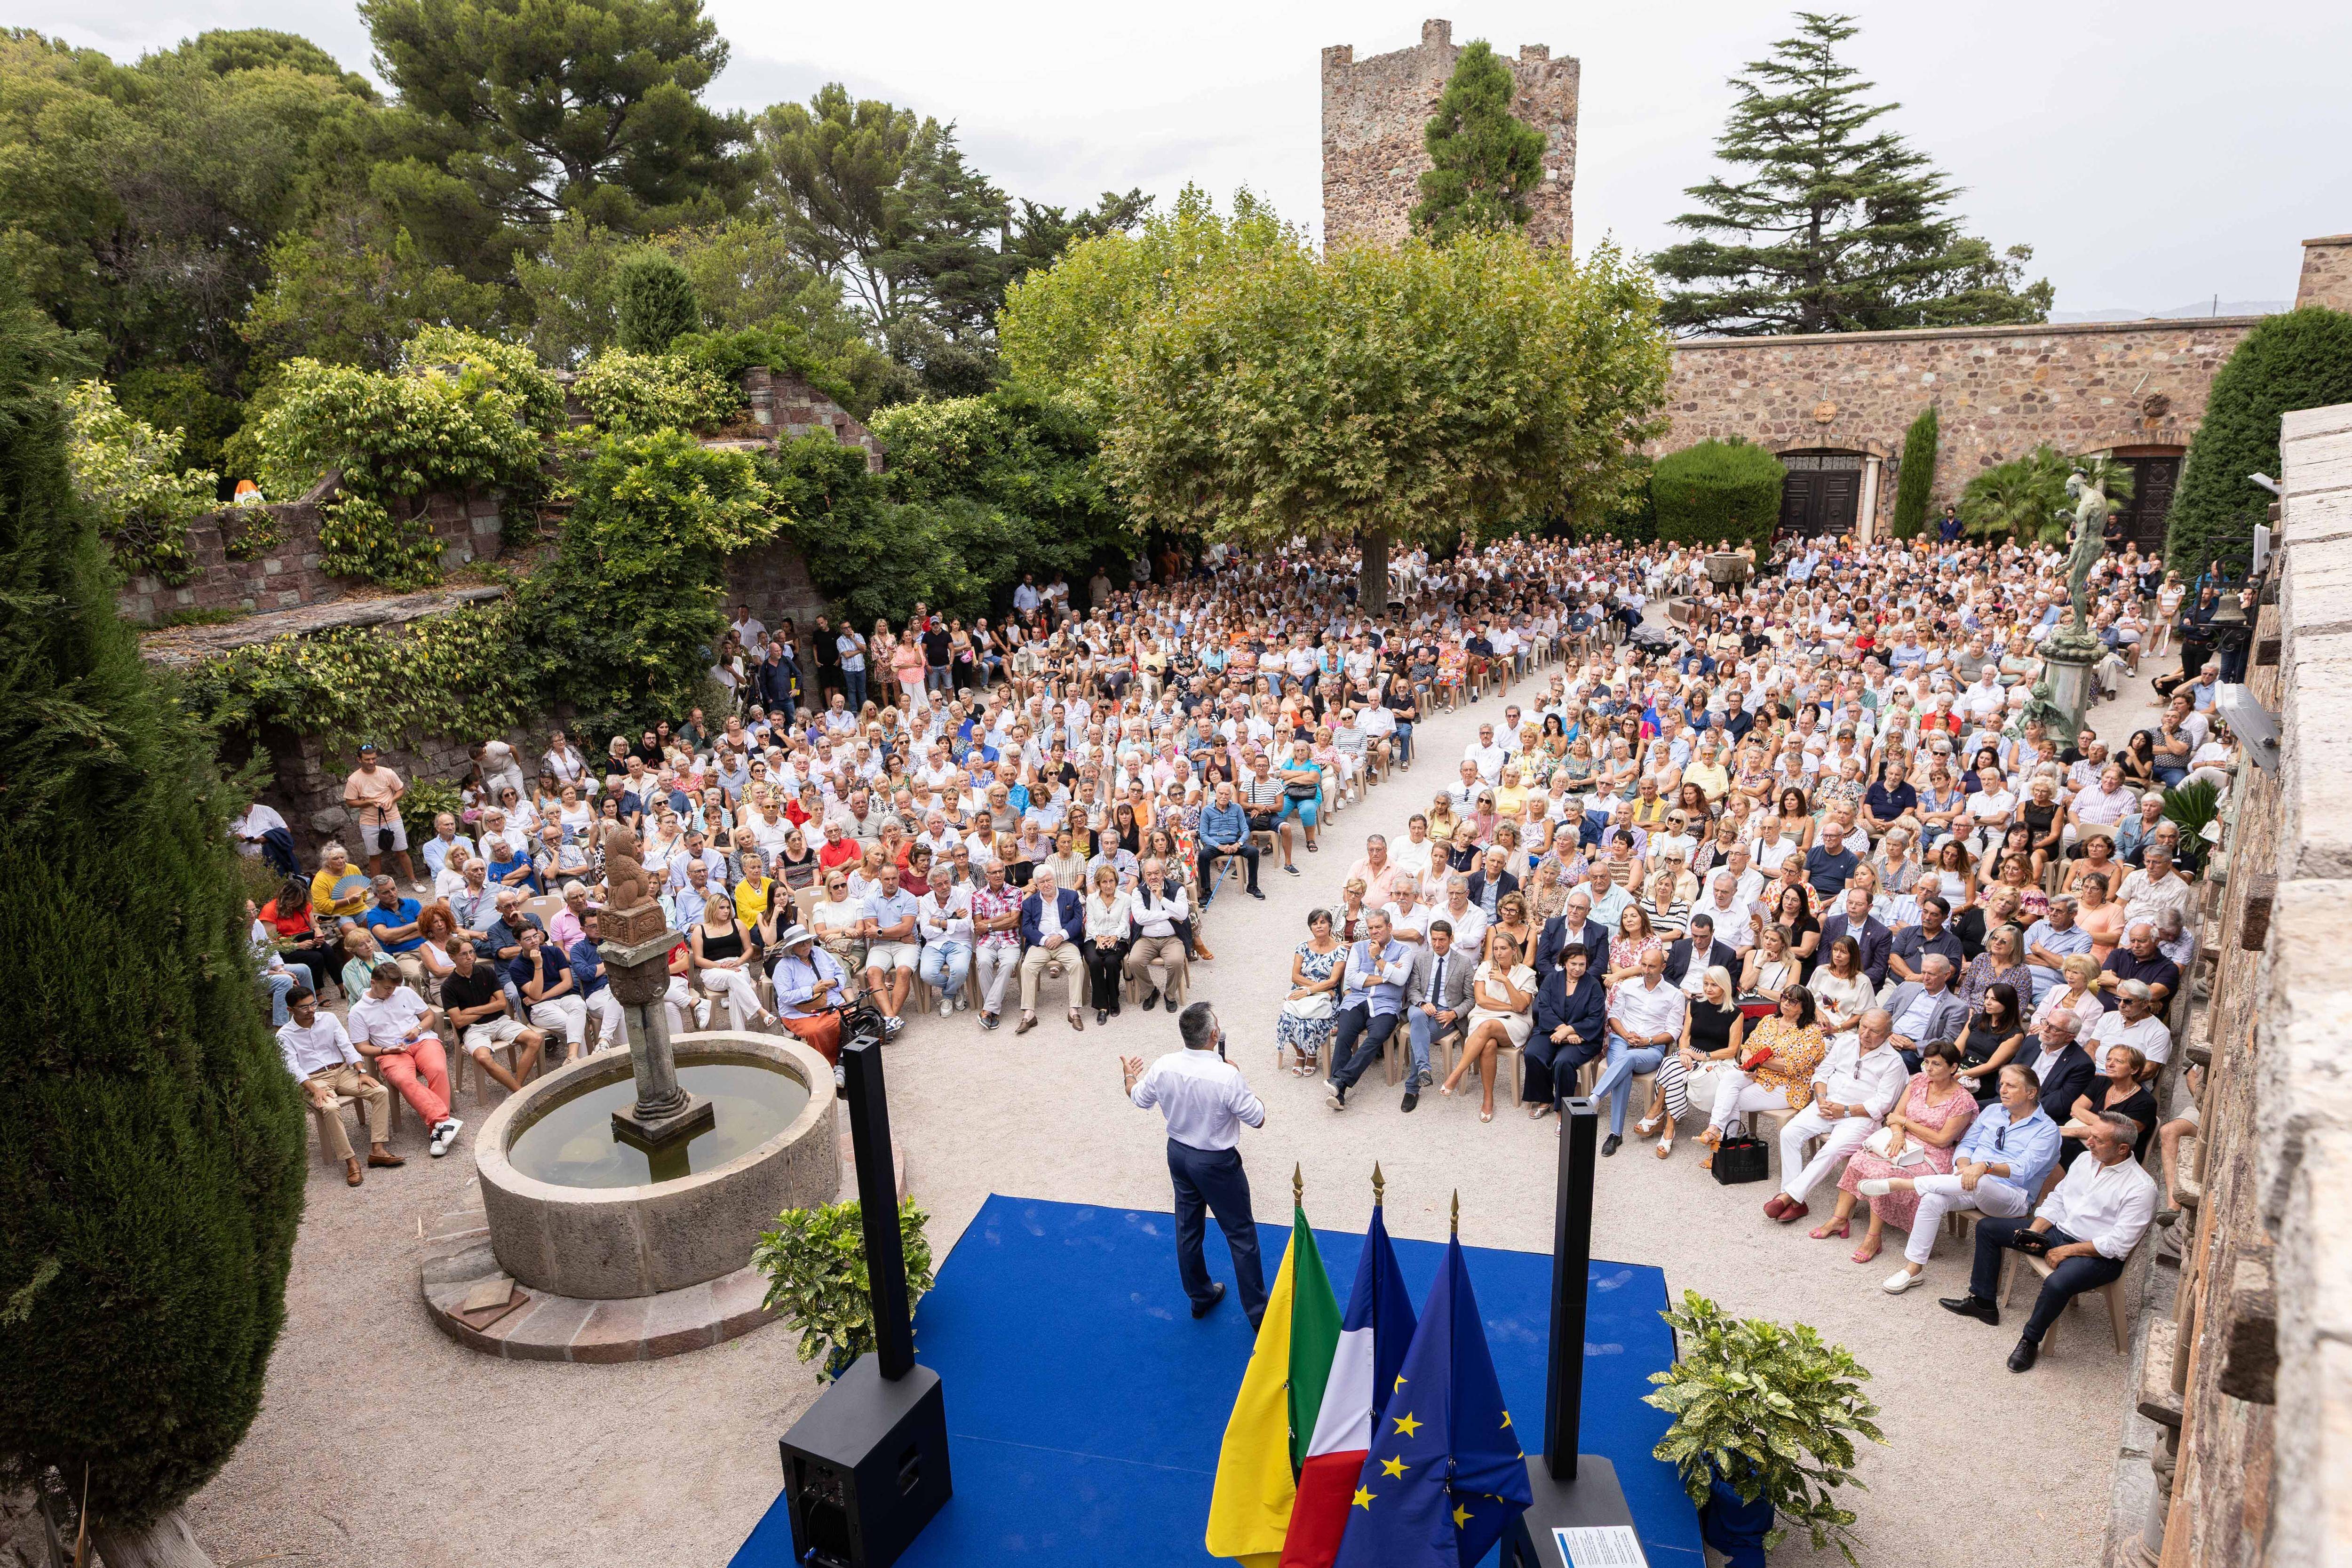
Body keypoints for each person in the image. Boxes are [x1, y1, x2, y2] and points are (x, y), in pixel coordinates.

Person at [1939, 1111, 2158, 1371]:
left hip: (2098, 1255)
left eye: (2098, 1140)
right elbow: (2057, 1199)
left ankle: (2030, 1340)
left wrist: (2067, 1251)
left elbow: (2118, 1244)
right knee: (1988, 1228)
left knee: (2057, 1283)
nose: (2089, 1142)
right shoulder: (2085, 1159)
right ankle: (1983, 1302)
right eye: (2091, 1135)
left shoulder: (2141, 1188)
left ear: (2122, 1149)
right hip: (2058, 1233)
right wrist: (2034, 1232)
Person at [1124, 1003, 1267, 1329]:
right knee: (1241, 1236)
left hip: (1178, 1155)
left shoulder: (1164, 1065)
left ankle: (1200, 1297)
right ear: (1214, 1035)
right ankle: (1259, 1315)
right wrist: (1239, 1077)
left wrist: (1129, 1074)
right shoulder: (1227, 1076)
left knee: (1188, 1230)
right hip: (1217, 1164)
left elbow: (1138, 1097)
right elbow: (1258, 1118)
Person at [1865, 1062, 2061, 1294]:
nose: (2003, 1090)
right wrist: (1965, 1166)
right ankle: (1913, 1269)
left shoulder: (2047, 1130)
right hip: (1967, 1183)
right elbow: (1967, 1144)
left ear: (2031, 1093)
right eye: (2002, 1084)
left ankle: (1904, 1184)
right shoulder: (1992, 1112)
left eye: (2011, 1086)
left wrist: (1985, 1167)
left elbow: (2023, 1170)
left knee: (1981, 1180)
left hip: (2010, 1197)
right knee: (1932, 1199)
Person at [1819, 1038, 1978, 1262]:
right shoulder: (1919, 1081)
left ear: (1953, 1068)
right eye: (1927, 1062)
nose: (1929, 1069)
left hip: (1934, 1154)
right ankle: (1840, 1219)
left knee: (1885, 1173)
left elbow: (1942, 1140)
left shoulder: (1963, 1101)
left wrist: (1905, 1124)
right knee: (1859, 1159)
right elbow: (1895, 1116)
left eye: (1936, 1064)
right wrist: (1898, 1133)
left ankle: (1874, 1237)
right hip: (1902, 1140)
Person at [1764, 1008, 1910, 1224]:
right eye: (1863, 1027)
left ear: (1888, 1035)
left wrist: (1846, 1110)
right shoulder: (1845, 1043)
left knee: (1831, 1150)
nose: (1865, 1035)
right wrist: (1821, 1098)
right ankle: (1795, 1200)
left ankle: (1788, 1197)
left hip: (1861, 1118)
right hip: (1827, 1104)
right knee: (1789, 1133)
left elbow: (1883, 1104)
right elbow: (1822, 1074)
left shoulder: (1894, 1062)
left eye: (1874, 1031)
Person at [277, 987, 398, 1187]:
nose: (311, 1010)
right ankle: (351, 1161)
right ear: (291, 1010)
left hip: (341, 1072)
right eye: (304, 1007)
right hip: (314, 1080)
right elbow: (292, 1068)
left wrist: (361, 1072)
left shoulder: (329, 1019)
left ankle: (378, 1150)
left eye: (313, 1004)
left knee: (380, 1091)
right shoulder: (284, 1035)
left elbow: (346, 1046)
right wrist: (314, 1090)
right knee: (331, 1108)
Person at [1698, 986, 1827, 1168]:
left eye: (1793, 1001)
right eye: (1784, 998)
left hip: (1788, 1087)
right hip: (1759, 1075)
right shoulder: (1769, 1021)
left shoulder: (1811, 1033)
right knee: (1729, 1078)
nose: (1786, 1003)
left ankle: (1723, 1150)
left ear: (1804, 1007)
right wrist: (1748, 1059)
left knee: (1731, 1099)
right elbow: (1748, 1046)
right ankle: (1715, 1130)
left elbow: (1792, 1066)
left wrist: (1759, 1062)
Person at [346, 960, 463, 1158]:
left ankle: (437, 1130)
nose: (391, 992)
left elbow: (429, 1017)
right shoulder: (358, 1011)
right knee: (403, 1079)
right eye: (387, 988)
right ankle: (443, 1121)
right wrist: (385, 1050)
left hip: (423, 1041)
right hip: (391, 1052)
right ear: (373, 983)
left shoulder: (405, 992)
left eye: (394, 988)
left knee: (437, 1069)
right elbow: (361, 1047)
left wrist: (418, 1029)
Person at [1636, 965, 1743, 1157]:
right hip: (1690, 1053)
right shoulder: (1694, 1005)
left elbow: (1732, 1050)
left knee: (1672, 1069)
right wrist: (1685, 1053)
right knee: (1671, 1063)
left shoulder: (1736, 1013)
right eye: (1706, 984)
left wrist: (1704, 1057)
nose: (1708, 989)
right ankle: (1669, 1127)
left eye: (1714, 985)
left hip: (1716, 1059)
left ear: (1724, 986)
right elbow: (1685, 1036)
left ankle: (1660, 1114)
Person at [1592, 945, 1688, 1155]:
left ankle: (1596, 1097)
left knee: (1627, 1060)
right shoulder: (1628, 986)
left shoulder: (1675, 995)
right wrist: (1626, 1035)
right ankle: (1615, 1134)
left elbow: (1674, 1032)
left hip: (1650, 1049)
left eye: (1652, 966)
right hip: (1622, 1040)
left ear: (1663, 967)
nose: (1646, 970)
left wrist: (1648, 1040)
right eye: (1643, 965)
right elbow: (1614, 1016)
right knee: (1624, 1068)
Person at [1439, 928, 1536, 1122]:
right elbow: (1481, 1000)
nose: (1498, 953)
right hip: (1484, 1016)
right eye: (1496, 949)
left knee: (1489, 1026)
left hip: (1515, 1023)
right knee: (1489, 1044)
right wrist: (1510, 1007)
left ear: (1514, 950)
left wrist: (1506, 982)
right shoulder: (1485, 968)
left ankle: (1456, 1074)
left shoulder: (1527, 973)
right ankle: (1488, 1098)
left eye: (1503, 949)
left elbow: (1522, 1006)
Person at [1323, 909, 1414, 1112]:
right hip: (1356, 1001)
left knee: (1376, 1038)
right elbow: (1351, 978)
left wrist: (1377, 958)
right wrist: (1386, 976)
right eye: (1371, 928)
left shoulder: (1404, 951)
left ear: (1389, 927)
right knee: (1344, 1036)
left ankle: (1340, 1082)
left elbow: (1401, 979)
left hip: (1386, 1005)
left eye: (1379, 927)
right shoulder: (1358, 948)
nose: (1374, 932)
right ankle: (1340, 1091)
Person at [437, 939, 544, 1095]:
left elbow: (501, 1004)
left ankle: (516, 1089)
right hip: (473, 1029)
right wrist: (489, 1007)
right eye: (464, 954)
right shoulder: (448, 986)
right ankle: (519, 1092)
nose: (470, 957)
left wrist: (469, 1011)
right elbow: (459, 1022)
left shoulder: (487, 972)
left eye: (472, 952)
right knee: (483, 1058)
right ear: (452, 956)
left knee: (536, 1039)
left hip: (500, 1021)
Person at [1402, 917, 1479, 1111]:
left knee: (1418, 1036)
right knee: (1418, 1017)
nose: (1437, 944)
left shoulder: (1463, 963)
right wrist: (1422, 1003)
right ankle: (1418, 1079)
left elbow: (1471, 999)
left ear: (1451, 939)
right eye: (1434, 939)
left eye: (1442, 940)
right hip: (1420, 1007)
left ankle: (1415, 1084)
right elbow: (1413, 990)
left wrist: (1454, 1013)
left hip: (1445, 1014)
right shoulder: (1421, 959)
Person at [1017, 865, 1089, 1033]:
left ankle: (1074, 1011)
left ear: (1054, 879)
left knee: (1077, 964)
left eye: (1049, 880)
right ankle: (1029, 1014)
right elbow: (1026, 928)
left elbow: (1077, 921)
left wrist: (1061, 936)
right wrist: (1044, 940)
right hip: (1040, 944)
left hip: (1065, 942)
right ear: (1037, 884)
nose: (1046, 884)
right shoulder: (1029, 903)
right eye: (1042, 882)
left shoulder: (1070, 896)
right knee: (1027, 967)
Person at [1278, 908, 1347, 1079]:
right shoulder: (1303, 947)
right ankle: (1300, 1054)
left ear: (1330, 925)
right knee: (1286, 1019)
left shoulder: (1340, 950)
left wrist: (1312, 990)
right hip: (1302, 990)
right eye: (1315, 924)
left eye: (1323, 922)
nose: (1319, 926)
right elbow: (1295, 976)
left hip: (1327, 997)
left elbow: (1333, 981)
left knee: (1313, 1021)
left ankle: (1311, 1055)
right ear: (1311, 928)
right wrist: (1313, 988)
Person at [769, 924, 850, 1063]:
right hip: (800, 1013)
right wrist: (812, 990)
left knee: (853, 1019)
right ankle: (827, 1065)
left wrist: (834, 982)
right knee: (817, 1031)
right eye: (801, 943)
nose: (806, 945)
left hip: (832, 1004)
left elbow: (840, 974)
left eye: (808, 941)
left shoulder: (820, 953)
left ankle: (846, 1062)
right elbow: (785, 997)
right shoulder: (783, 967)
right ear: (791, 948)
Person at [343, 743, 420, 888]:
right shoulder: (354, 779)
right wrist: (369, 802)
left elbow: (401, 790)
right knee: (374, 856)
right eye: (367, 759)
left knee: (402, 851)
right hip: (369, 822)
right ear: (359, 760)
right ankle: (375, 888)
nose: (371, 762)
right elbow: (350, 802)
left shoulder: (387, 773)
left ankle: (414, 881)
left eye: (374, 759)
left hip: (393, 817)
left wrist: (392, 801)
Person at [859, 860, 922, 1037]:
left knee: (904, 971)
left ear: (899, 877)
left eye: (894, 878)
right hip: (882, 946)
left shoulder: (909, 898)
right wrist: (897, 935)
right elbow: (870, 932)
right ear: (880, 879)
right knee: (873, 973)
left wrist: (881, 931)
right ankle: (892, 1018)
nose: (891, 883)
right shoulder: (871, 900)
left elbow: (906, 928)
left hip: (907, 944)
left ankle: (888, 1019)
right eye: (887, 879)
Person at [1124, 857, 1192, 1013]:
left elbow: (1182, 914)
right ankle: (1151, 992)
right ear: (1144, 875)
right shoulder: (1138, 892)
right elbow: (1141, 918)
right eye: (1149, 874)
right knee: (1134, 961)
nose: (1153, 877)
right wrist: (1168, 914)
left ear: (1164, 873)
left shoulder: (1177, 889)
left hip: (1172, 938)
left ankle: (1170, 995)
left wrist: (1161, 898)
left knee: (1176, 962)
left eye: (1156, 873)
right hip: (1146, 939)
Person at [1878, 955, 1969, 1070]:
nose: (1925, 978)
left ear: (1946, 976)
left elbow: (1947, 1041)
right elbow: (1883, 1015)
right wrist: (1888, 1034)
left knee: (1888, 1063)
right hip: (1887, 1037)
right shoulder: (1906, 987)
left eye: (1931, 974)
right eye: (1923, 973)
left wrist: (1914, 1046)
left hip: (1914, 1051)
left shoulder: (1957, 1007)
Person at [915, 862, 974, 1019]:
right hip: (934, 944)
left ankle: (948, 996)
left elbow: (966, 924)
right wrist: (952, 920)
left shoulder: (962, 894)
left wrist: (939, 923)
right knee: (927, 974)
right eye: (939, 885)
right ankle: (956, 987)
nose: (945, 887)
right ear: (932, 887)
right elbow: (926, 931)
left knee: (960, 971)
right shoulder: (926, 900)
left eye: (946, 882)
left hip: (960, 942)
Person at [1081, 864, 1133, 1026]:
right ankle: (1103, 1007)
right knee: (1095, 962)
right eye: (1104, 882)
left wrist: (1115, 937)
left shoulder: (1125, 899)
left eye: (1112, 881)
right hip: (1094, 938)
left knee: (1111, 962)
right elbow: (1090, 922)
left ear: (1116, 882)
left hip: (1118, 938)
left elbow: (1125, 923)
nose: (1109, 885)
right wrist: (1098, 937)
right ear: (1098, 884)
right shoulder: (1091, 899)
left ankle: (1114, 1000)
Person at [1196, 780, 1262, 902]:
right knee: (1203, 855)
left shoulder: (1237, 808)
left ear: (1231, 796)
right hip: (1215, 844)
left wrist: (1239, 844)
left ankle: (1252, 886)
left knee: (1253, 852)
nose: (1224, 797)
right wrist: (1219, 846)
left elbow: (1246, 830)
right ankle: (1207, 891)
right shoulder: (1207, 810)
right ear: (1216, 794)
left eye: (1227, 794)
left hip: (1234, 843)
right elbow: (1204, 835)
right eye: (1221, 793)